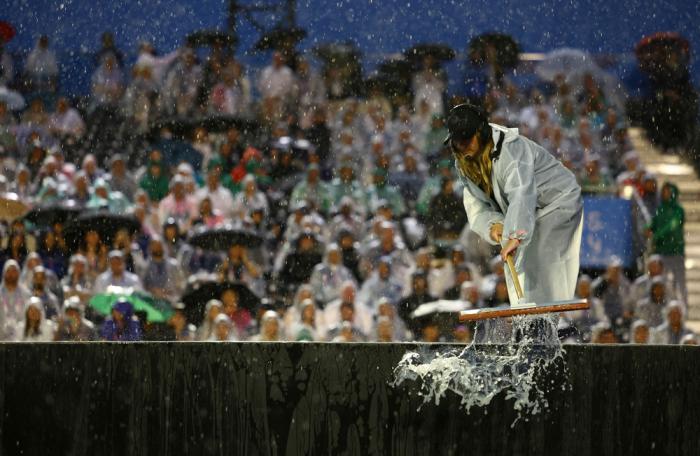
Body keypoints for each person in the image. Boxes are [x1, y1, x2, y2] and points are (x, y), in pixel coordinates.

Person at [445, 103, 583, 310]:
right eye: (457, 140)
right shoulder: (464, 162)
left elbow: (521, 192)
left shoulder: (511, 148)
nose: (462, 145)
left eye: (466, 139)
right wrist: (492, 226)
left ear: (481, 132)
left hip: (557, 201)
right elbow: (475, 203)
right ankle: (525, 316)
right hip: (527, 210)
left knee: (539, 259)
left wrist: (515, 235)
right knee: (516, 262)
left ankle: (544, 318)